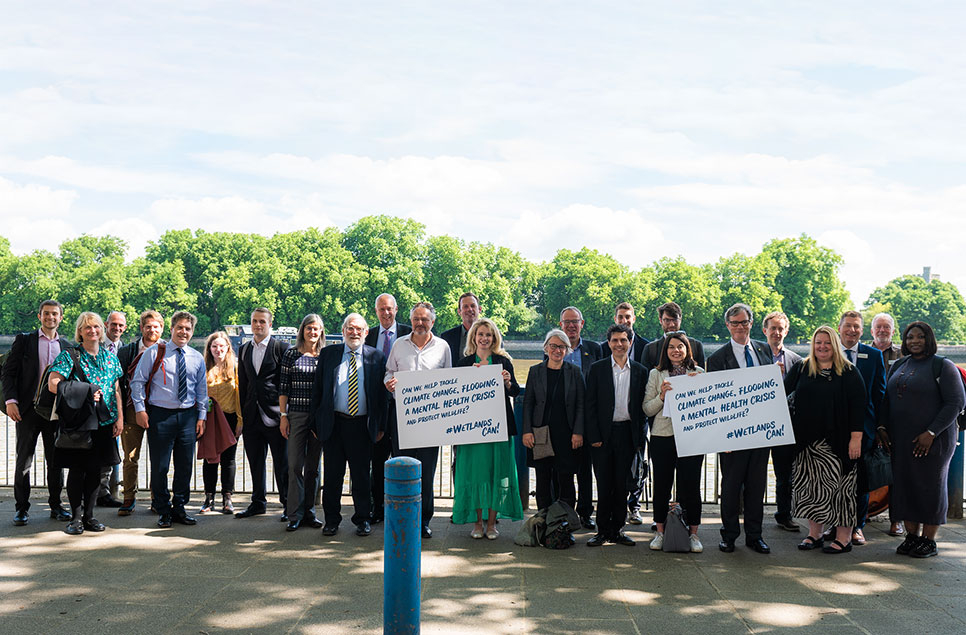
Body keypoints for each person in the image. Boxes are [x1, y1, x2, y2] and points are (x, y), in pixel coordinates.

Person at [877, 321, 966, 558]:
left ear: (929, 339)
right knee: (905, 486)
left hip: (934, 441)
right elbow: (886, 398)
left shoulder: (943, 366)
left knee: (930, 486)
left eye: (920, 337)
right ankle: (912, 536)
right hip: (902, 439)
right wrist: (882, 426)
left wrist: (931, 433)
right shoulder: (900, 364)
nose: (914, 341)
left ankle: (929, 540)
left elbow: (956, 403)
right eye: (909, 337)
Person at [785, 326, 866, 554]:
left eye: (827, 343)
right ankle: (814, 534)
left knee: (841, 490)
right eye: (818, 342)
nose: (822, 347)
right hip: (807, 444)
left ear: (835, 345)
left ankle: (843, 537)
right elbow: (779, 394)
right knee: (812, 489)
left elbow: (859, 406)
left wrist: (856, 438)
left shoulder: (849, 372)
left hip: (839, 443)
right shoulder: (802, 368)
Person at [705, 302, 774, 554]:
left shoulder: (764, 349)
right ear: (728, 326)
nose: (740, 327)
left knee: (757, 487)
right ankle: (729, 535)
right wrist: (721, 438)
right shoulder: (716, 358)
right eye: (735, 323)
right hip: (731, 436)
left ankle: (755, 536)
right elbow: (715, 400)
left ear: (751, 324)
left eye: (744, 322)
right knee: (731, 487)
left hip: (760, 432)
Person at [47, 312, 124, 535]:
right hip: (79, 423)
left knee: (95, 472)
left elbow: (117, 389)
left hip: (105, 422)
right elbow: (54, 384)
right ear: (80, 331)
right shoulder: (69, 356)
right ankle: (76, 518)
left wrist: (119, 417)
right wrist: (87, 391)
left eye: (97, 327)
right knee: (77, 471)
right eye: (87, 327)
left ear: (103, 330)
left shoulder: (111, 357)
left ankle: (90, 517)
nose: (93, 331)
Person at [130, 311, 208, 528]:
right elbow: (137, 382)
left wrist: (202, 416)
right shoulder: (154, 353)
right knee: (160, 466)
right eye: (180, 327)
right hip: (160, 415)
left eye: (188, 329)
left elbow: (202, 390)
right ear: (172, 329)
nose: (184, 332)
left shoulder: (196, 357)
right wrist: (140, 409)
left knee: (184, 466)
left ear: (192, 332)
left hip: (187, 417)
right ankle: (163, 509)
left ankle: (180, 508)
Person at [314, 314, 388, 537]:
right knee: (333, 477)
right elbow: (318, 391)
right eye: (350, 328)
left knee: (362, 477)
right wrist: (316, 424)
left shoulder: (377, 357)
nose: (354, 332)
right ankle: (332, 521)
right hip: (334, 425)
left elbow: (381, 396)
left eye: (359, 329)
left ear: (366, 333)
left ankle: (363, 519)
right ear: (343, 330)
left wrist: (381, 427)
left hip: (362, 426)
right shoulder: (329, 354)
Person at [384, 302, 451, 538]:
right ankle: (402, 516)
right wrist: (389, 383)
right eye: (416, 319)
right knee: (402, 466)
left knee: (427, 471)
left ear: (432, 322)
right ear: (410, 321)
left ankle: (423, 520)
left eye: (424, 319)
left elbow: (450, 382)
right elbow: (388, 371)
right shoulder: (399, 345)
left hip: (431, 422)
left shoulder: (443, 347)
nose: (420, 323)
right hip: (402, 418)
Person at [453, 318, 524, 539]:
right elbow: (455, 396)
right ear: (474, 337)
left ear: (494, 338)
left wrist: (507, 382)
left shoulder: (503, 362)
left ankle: (492, 523)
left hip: (498, 428)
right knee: (475, 474)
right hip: (472, 430)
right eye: (481, 334)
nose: (484, 338)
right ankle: (477, 523)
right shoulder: (464, 363)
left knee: (497, 473)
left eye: (489, 335)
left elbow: (515, 392)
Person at [3, 299, 71, 526]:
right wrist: (10, 401)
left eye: (55, 314)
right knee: (24, 461)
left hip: (55, 413)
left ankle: (56, 506)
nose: (51, 317)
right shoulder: (25, 341)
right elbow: (9, 373)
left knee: (56, 461)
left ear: (61, 317)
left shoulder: (67, 346)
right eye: (46, 313)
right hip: (27, 410)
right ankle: (21, 508)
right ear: (39, 316)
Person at [643, 331, 706, 553]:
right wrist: (661, 396)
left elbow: (707, 409)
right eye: (672, 347)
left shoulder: (698, 373)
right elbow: (647, 408)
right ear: (665, 350)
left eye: (680, 346)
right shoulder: (655, 374)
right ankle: (660, 532)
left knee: (691, 488)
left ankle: (694, 534)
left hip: (691, 438)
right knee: (661, 486)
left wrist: (697, 389)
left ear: (687, 349)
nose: (676, 350)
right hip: (663, 437)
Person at [585, 323, 645, 547]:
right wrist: (594, 436)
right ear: (608, 343)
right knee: (603, 483)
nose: (619, 344)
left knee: (622, 485)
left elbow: (641, 409)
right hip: (602, 435)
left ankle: (618, 530)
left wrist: (639, 439)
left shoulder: (640, 371)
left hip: (627, 434)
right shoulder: (598, 368)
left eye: (623, 340)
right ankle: (602, 530)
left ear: (630, 342)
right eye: (614, 341)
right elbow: (590, 405)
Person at [521, 329, 585, 512]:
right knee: (542, 480)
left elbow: (581, 403)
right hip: (540, 435)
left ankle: (564, 524)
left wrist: (578, 432)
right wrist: (527, 431)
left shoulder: (574, 372)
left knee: (565, 481)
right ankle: (543, 522)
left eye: (562, 347)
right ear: (546, 348)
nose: (558, 350)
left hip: (567, 435)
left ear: (567, 350)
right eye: (554, 346)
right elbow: (528, 404)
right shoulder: (535, 371)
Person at [236, 308, 290, 520]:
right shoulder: (244, 349)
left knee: (282, 464)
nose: (258, 325)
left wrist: (286, 415)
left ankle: (288, 505)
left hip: (276, 417)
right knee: (255, 462)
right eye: (254, 321)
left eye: (262, 322)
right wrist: (243, 415)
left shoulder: (281, 348)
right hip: (252, 417)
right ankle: (258, 502)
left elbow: (287, 384)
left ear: (270, 324)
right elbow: (244, 384)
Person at [838, 310, 886, 546]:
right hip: (833, 429)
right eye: (848, 326)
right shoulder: (827, 350)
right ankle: (835, 526)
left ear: (862, 330)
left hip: (864, 430)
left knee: (860, 481)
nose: (852, 330)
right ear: (840, 328)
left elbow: (880, 395)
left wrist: (878, 428)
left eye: (856, 326)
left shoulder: (874, 356)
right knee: (834, 479)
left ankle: (857, 526)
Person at [364, 293, 412, 523]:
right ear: (376, 311)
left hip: (406, 409)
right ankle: (379, 509)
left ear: (396, 310)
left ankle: (405, 507)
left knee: (405, 459)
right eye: (381, 309)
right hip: (377, 408)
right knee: (377, 460)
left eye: (389, 309)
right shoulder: (368, 335)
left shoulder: (409, 333)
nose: (386, 313)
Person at [116, 310, 164, 516]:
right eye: (148, 326)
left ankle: (157, 498)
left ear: (162, 329)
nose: (152, 330)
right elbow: (117, 382)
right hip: (131, 409)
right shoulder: (128, 351)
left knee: (159, 457)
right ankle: (128, 497)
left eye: (156, 327)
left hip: (159, 410)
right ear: (141, 328)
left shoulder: (167, 350)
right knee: (130, 457)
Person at [279, 314, 325, 531]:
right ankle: (294, 514)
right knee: (295, 465)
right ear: (302, 330)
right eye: (309, 328)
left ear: (321, 332)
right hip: (296, 415)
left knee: (313, 468)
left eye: (316, 329)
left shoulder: (325, 355)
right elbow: (283, 387)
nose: (313, 332)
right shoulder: (290, 354)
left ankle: (310, 512)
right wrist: (283, 416)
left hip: (317, 418)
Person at [559, 306, 602, 530]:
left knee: (586, 471)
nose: (571, 326)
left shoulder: (595, 349)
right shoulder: (555, 348)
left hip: (587, 420)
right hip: (562, 421)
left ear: (582, 324)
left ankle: (586, 513)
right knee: (564, 471)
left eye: (575, 321)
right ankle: (565, 513)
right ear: (561, 326)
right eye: (567, 322)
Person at [762, 311, 803, 532]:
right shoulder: (755, 356)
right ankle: (751, 514)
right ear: (764, 330)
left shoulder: (797, 361)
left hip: (785, 425)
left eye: (781, 328)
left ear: (786, 331)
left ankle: (784, 514)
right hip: (756, 425)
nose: (777, 332)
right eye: (773, 328)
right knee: (753, 474)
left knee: (785, 475)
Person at [869, 311, 904, 536]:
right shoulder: (863, 352)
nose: (882, 331)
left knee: (899, 470)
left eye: (886, 327)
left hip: (897, 420)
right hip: (869, 418)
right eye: (878, 327)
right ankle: (860, 516)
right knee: (865, 466)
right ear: (871, 331)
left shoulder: (904, 354)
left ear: (893, 331)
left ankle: (897, 519)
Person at [201, 331, 244, 514]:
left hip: (230, 417)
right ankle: (209, 498)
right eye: (214, 346)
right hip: (209, 419)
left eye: (221, 346)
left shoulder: (235, 368)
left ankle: (227, 498)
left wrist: (240, 421)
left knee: (228, 459)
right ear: (209, 349)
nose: (218, 349)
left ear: (228, 347)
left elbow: (240, 396)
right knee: (210, 458)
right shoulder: (202, 368)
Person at [96, 310, 128, 508]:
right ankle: (92, 491)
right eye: (113, 324)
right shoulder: (93, 345)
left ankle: (107, 492)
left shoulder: (126, 349)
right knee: (92, 450)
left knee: (112, 452)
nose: (117, 328)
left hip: (118, 409)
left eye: (121, 325)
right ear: (106, 324)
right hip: (96, 408)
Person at [640, 302, 706, 371]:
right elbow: (645, 379)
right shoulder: (650, 349)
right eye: (667, 320)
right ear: (660, 320)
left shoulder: (696, 346)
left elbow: (702, 378)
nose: (671, 324)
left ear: (680, 319)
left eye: (675, 320)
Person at [440, 292, 481, 365]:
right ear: (459, 312)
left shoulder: (492, 335)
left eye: (473, 306)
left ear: (479, 309)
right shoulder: (447, 337)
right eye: (465, 306)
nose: (470, 309)